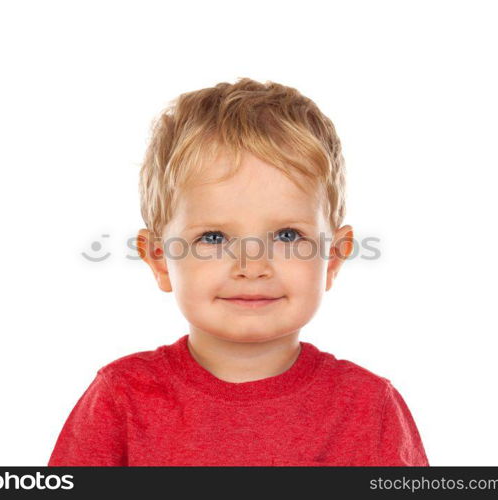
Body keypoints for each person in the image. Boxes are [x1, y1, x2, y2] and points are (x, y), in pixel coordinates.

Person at [48, 77, 428, 466]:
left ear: (332, 258)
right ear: (160, 259)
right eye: (214, 237)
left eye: (286, 234)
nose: (252, 267)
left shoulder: (369, 407)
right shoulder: (122, 397)